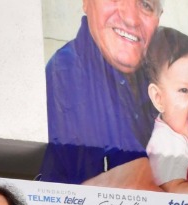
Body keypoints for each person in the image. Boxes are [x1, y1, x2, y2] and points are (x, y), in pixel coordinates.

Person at [40, 0, 163, 185]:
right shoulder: (68, 73)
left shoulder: (155, 77)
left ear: (158, 19)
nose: (131, 19)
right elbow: (135, 178)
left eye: (146, 4)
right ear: (86, 2)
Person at [143, 27, 188, 191]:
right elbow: (175, 189)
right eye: (184, 90)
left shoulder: (186, 132)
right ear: (159, 98)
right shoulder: (167, 142)